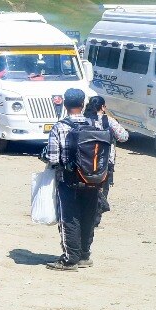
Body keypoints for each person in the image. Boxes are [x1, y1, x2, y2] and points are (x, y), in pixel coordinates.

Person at [44, 89, 111, 270]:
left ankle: (70, 259)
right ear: (82, 104)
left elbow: (52, 158)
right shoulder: (95, 124)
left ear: (65, 105)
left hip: (68, 180)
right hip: (94, 179)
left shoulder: (60, 127)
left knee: (69, 218)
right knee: (88, 216)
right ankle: (84, 256)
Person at [84, 95, 128, 214]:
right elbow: (124, 137)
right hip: (105, 162)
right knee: (102, 189)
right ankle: (96, 218)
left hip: (85, 160)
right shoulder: (108, 120)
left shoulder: (83, 120)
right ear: (102, 107)